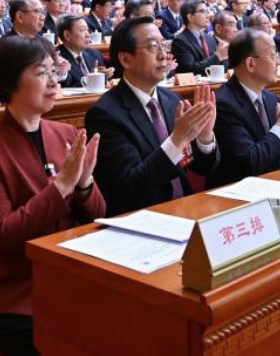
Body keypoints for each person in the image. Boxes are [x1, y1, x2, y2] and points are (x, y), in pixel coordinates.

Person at [0, 35, 104, 356]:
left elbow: (97, 216)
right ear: (11, 81)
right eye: (42, 74)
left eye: (55, 72)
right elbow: (2, 237)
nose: (54, 83)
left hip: (68, 278)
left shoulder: (66, 133)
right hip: (12, 295)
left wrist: (84, 185)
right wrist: (61, 187)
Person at [85, 17, 219, 216]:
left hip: (184, 210)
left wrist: (204, 137)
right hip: (141, 219)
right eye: (153, 47)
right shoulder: (104, 114)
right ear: (125, 59)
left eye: (164, 46)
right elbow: (129, 186)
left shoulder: (171, 99)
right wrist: (177, 140)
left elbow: (204, 168)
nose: (164, 55)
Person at [208, 30, 280, 187]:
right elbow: (248, 164)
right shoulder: (224, 104)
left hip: (271, 187)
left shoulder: (269, 98)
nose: (279, 62)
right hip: (235, 195)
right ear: (250, 64)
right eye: (273, 55)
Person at [171, 0, 228, 75]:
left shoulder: (210, 38)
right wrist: (217, 57)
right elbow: (189, 70)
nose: (208, 15)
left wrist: (224, 57)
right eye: (203, 11)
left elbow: (222, 67)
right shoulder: (180, 41)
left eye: (207, 11)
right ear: (190, 17)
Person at [56, 14, 107, 88]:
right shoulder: (57, 58)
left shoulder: (95, 54)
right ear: (67, 35)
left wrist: (105, 76)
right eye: (82, 30)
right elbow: (66, 85)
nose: (88, 35)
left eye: (88, 30)